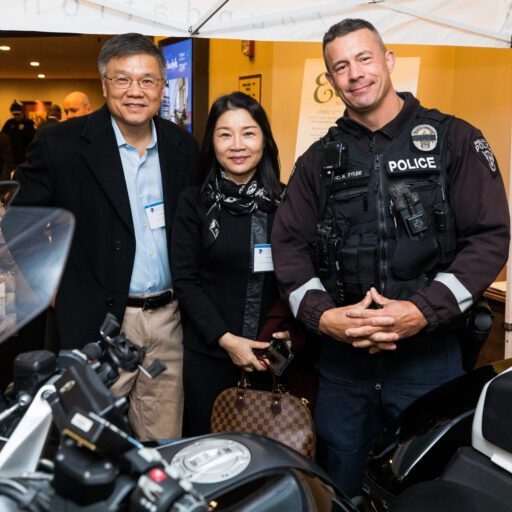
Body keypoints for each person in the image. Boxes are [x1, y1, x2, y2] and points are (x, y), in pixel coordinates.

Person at [271, 18, 510, 497]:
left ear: (388, 61)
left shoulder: (454, 140)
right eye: (340, 66)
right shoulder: (318, 160)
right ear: (331, 79)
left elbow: (489, 236)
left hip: (429, 362)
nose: (355, 73)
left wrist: (423, 311)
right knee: (337, 485)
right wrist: (325, 318)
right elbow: (289, 246)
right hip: (343, 367)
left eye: (364, 58)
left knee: (422, 487)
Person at [13, 33, 199, 441]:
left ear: (163, 87)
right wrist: (49, 287)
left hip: (168, 324)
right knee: (85, 447)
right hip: (96, 328)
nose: (135, 92)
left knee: (159, 447)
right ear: (104, 84)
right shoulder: (60, 145)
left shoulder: (182, 147)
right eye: (123, 80)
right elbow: (19, 225)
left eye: (147, 81)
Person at [171, 92, 290, 436]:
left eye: (248, 133)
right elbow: (185, 279)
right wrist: (227, 340)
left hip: (272, 355)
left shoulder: (287, 201)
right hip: (210, 354)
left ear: (265, 140)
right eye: (225, 134)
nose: (237, 144)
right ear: (211, 142)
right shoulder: (194, 202)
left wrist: (289, 331)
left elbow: (300, 274)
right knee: (208, 450)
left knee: (265, 455)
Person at [1, 100, 36, 167]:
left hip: (25, 158)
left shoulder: (29, 123)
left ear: (22, 113)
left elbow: (33, 140)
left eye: (18, 114)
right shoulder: (9, 123)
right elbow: (3, 138)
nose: (16, 116)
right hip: (11, 158)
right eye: (14, 114)